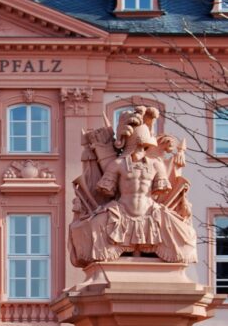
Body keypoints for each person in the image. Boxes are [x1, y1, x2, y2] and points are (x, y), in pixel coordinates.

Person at [69, 109, 197, 266]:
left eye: (142, 144)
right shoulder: (117, 164)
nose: (140, 147)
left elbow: (160, 190)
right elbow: (107, 190)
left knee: (186, 233)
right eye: (137, 142)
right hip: (120, 212)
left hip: (151, 212)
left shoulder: (156, 165)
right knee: (88, 228)